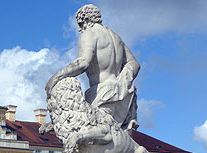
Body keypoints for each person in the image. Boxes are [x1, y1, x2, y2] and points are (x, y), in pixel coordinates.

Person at [44, 4, 139, 133]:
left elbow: (83, 62)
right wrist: (123, 83)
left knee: (86, 133)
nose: (80, 29)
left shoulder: (90, 33)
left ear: (86, 20)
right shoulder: (115, 37)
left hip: (101, 92)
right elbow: (134, 64)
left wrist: (56, 77)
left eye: (80, 25)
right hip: (120, 94)